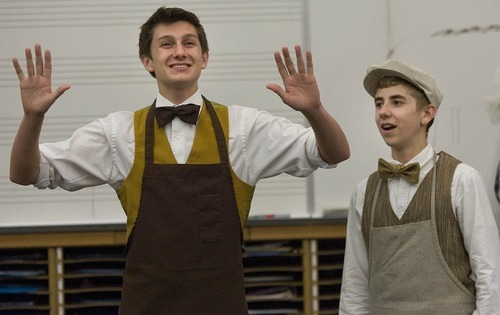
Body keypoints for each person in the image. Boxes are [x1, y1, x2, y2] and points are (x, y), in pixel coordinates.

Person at [10, 6, 350, 315]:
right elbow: (28, 173)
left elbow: (333, 153)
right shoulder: (118, 133)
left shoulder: (245, 129)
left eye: (189, 43)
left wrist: (314, 110)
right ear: (147, 60)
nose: (179, 51)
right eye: (166, 44)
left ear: (204, 57)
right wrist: (32, 118)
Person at [339, 59, 500, 314]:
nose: (383, 111)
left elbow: (490, 276)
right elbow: (354, 287)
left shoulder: (462, 180)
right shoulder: (364, 192)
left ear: (427, 114)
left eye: (397, 102)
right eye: (378, 103)